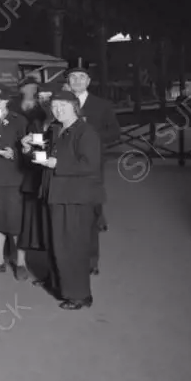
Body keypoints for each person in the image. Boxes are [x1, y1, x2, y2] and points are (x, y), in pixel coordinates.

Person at [24, 89, 102, 310]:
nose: (58, 110)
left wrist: (57, 164)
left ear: (75, 107)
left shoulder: (85, 132)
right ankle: (58, 283)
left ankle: (79, 295)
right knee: (55, 243)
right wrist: (27, 148)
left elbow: (89, 165)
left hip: (74, 198)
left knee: (72, 247)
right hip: (54, 194)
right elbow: (45, 156)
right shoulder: (58, 130)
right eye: (55, 107)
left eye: (63, 106)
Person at [65, 59, 120, 275]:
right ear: (67, 82)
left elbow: (115, 132)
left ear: (88, 81)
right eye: (72, 77)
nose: (77, 81)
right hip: (64, 166)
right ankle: (67, 258)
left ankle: (90, 261)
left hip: (92, 166)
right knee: (67, 213)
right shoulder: (61, 102)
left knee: (90, 214)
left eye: (81, 77)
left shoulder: (101, 105)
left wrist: (92, 138)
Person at [0, 84, 29, 279]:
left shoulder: (19, 120)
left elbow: (28, 146)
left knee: (15, 222)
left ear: (8, 101)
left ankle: (21, 263)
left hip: (13, 177)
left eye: (0, 100)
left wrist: (14, 153)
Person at [17, 84, 59, 284]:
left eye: (48, 97)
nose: (44, 101)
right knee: (28, 225)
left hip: (56, 183)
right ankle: (21, 263)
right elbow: (26, 159)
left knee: (53, 230)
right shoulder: (35, 122)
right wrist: (25, 148)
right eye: (40, 97)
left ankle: (54, 274)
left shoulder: (63, 124)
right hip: (34, 180)